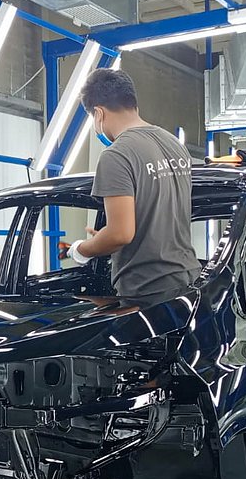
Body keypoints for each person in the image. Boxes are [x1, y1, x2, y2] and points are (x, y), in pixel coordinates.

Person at [68, 68, 198, 307]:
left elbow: (121, 234)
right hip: (188, 279)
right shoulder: (174, 144)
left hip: (147, 289)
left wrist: (82, 249)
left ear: (98, 113)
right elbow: (158, 215)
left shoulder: (117, 155)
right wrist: (105, 236)